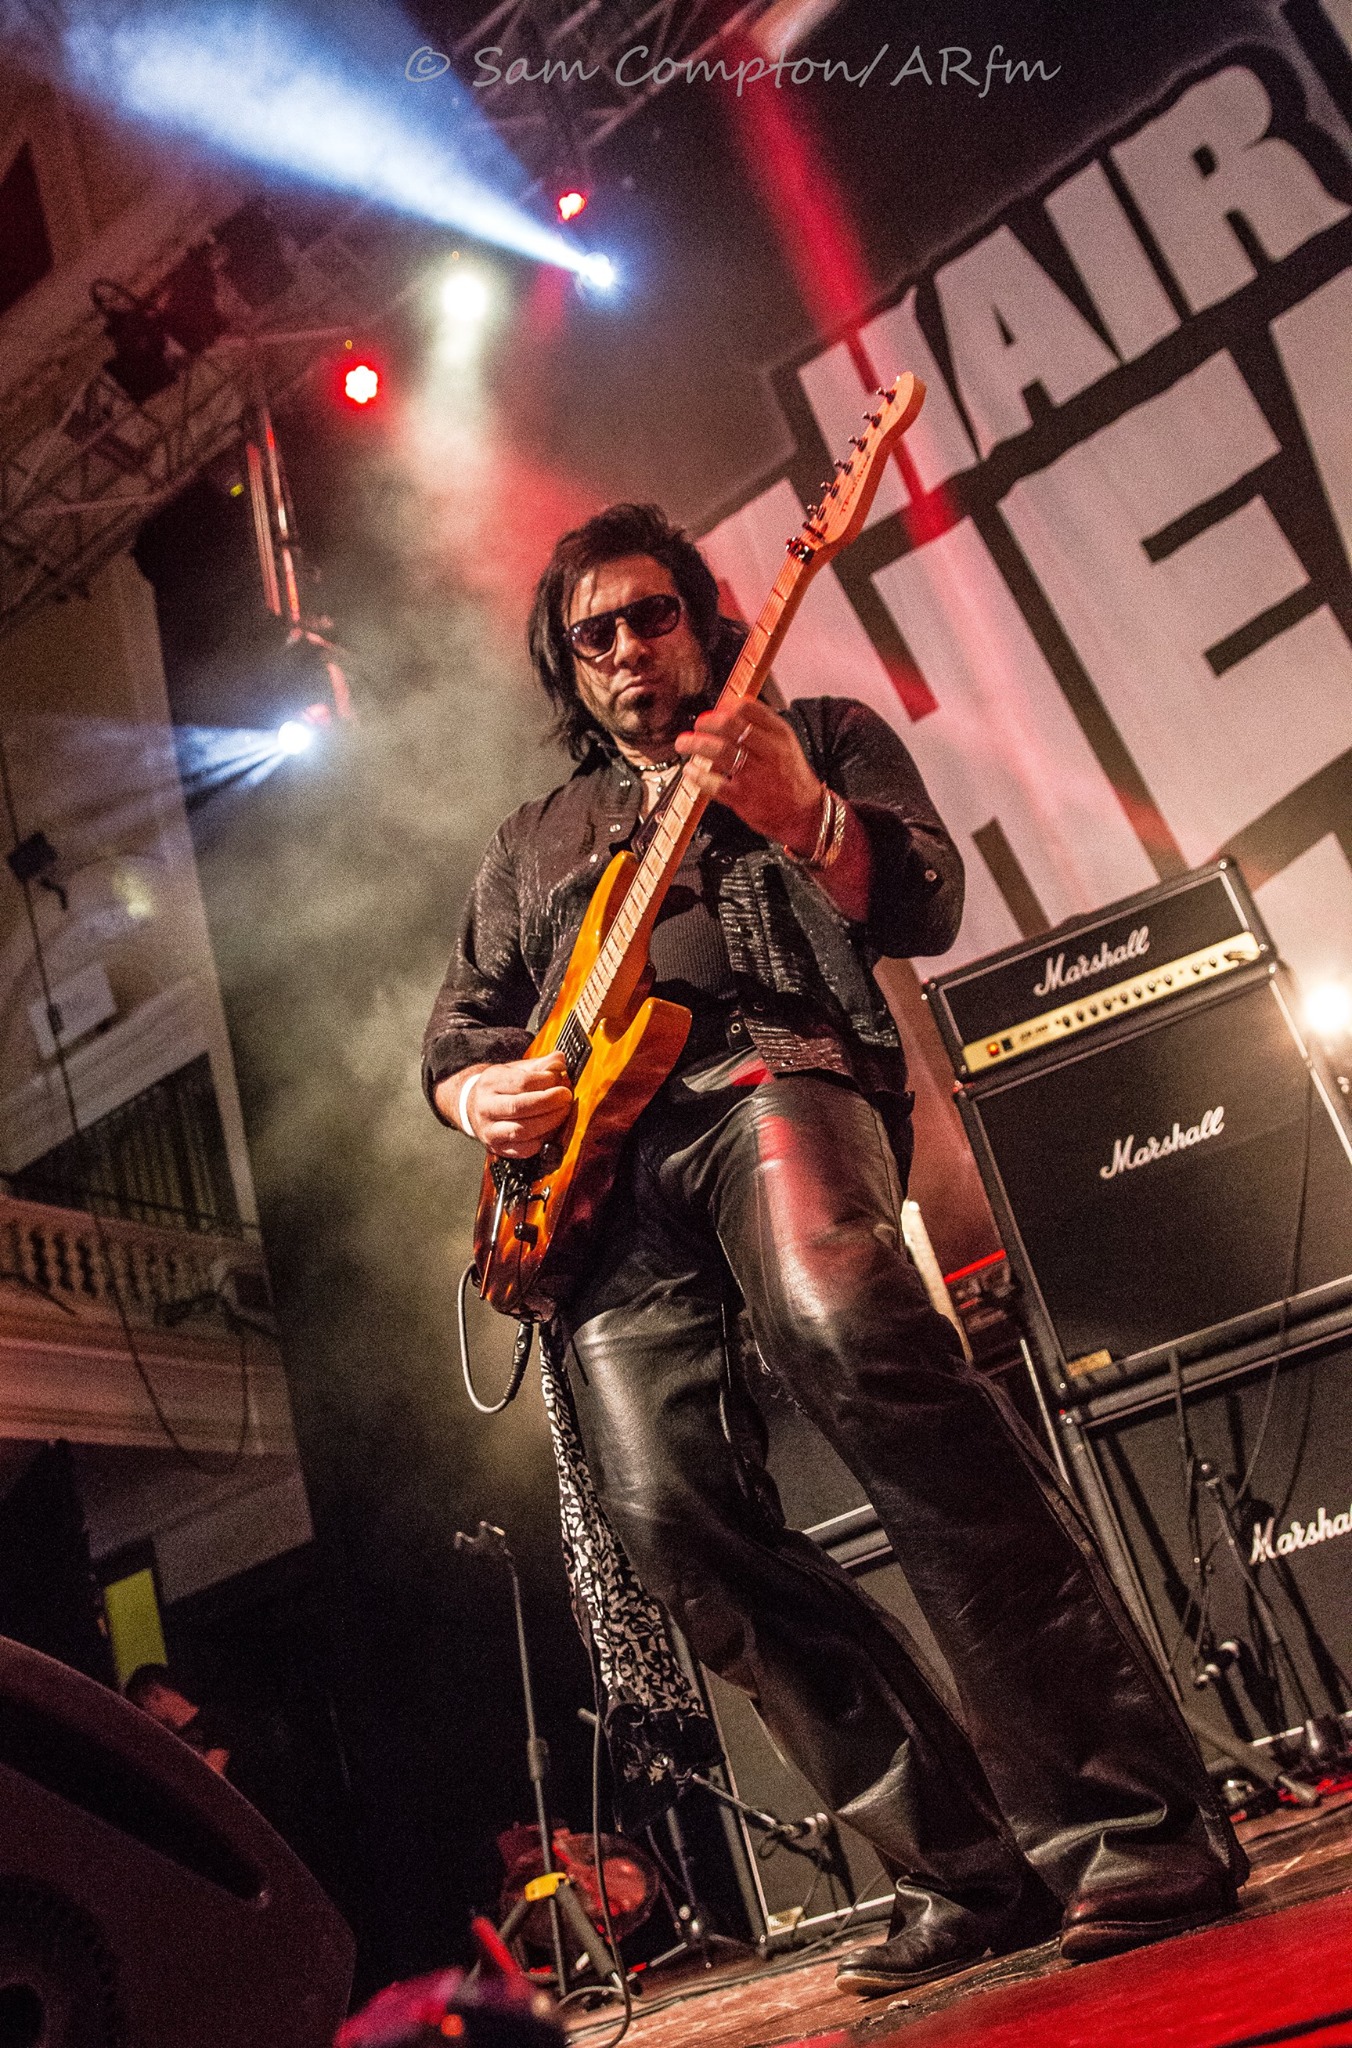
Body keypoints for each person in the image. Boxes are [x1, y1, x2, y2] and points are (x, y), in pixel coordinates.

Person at [422, 503, 1246, 1994]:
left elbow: (926, 897)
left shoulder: (814, 733)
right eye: (595, 634)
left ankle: (1134, 1823)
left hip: (774, 1074)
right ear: (569, 664)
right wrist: (481, 1095)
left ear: (705, 619)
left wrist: (805, 813)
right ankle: (966, 1872)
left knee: (853, 1335)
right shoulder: (529, 842)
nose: (628, 648)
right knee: (669, 1515)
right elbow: (458, 1036)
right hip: (604, 1187)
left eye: (653, 615)